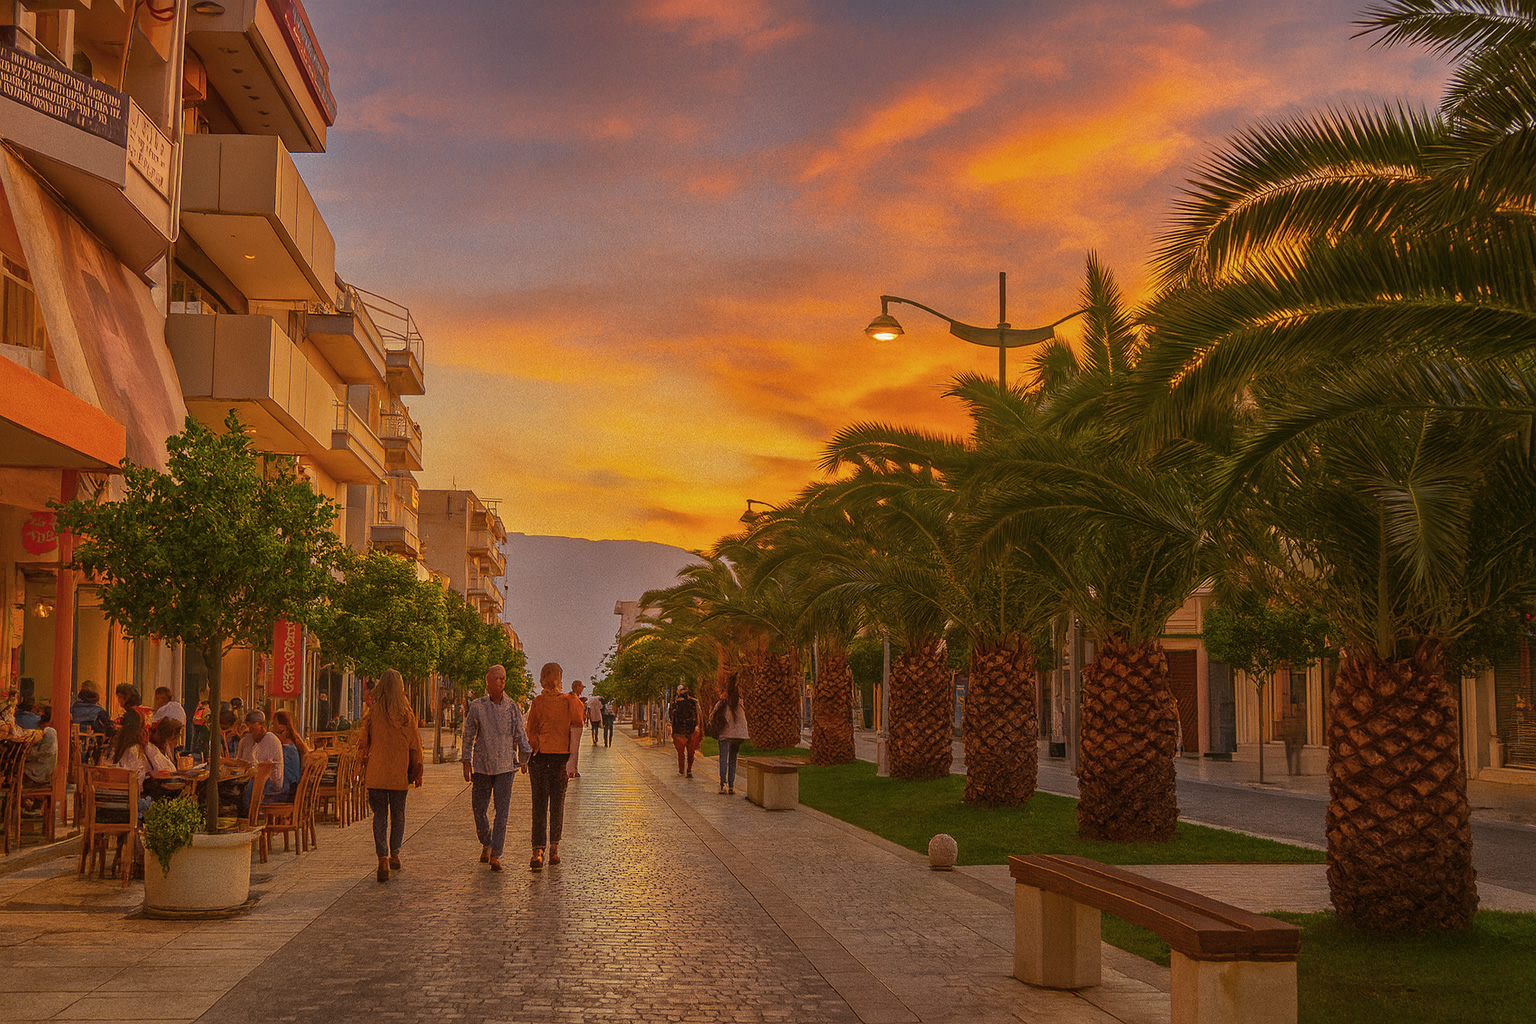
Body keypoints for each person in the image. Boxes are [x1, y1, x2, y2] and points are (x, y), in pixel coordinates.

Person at [356, 669, 424, 883]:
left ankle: (382, 858)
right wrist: (418, 770)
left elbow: (363, 742)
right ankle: (395, 852)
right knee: (398, 814)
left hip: (376, 772)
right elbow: (415, 746)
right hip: (398, 774)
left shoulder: (372, 712)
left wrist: (359, 766)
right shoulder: (406, 713)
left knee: (379, 817)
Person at [461, 664, 530, 872]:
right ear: (488, 682)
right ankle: (487, 841)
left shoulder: (512, 707)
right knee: (479, 809)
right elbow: (468, 735)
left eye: (503, 678)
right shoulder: (477, 706)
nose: (501, 681)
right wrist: (466, 761)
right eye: (497, 678)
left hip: (505, 766)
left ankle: (496, 854)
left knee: (502, 812)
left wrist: (524, 757)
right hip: (482, 766)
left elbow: (520, 733)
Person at [525, 662, 580, 871]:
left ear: (542, 679)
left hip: (542, 759)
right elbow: (576, 729)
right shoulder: (569, 702)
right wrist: (572, 762)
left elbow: (530, 731)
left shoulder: (542, 702)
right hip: (557, 759)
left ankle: (539, 851)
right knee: (557, 804)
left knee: (540, 805)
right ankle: (552, 849)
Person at [234, 710, 285, 816]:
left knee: (249, 787)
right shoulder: (253, 740)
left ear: (262, 726)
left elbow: (259, 766)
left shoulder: (270, 739)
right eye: (249, 727)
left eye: (253, 727)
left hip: (271, 784)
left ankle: (250, 815)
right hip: (258, 779)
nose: (250, 730)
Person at [714, 676, 749, 795]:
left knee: (723, 759)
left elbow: (711, 717)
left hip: (724, 735)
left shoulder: (721, 704)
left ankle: (723, 785)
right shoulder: (740, 703)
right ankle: (731, 786)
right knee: (733, 759)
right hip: (736, 737)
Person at [268, 710, 308, 804]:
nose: (272, 727)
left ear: (282, 726)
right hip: (293, 789)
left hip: (286, 791)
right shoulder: (294, 740)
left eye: (274, 724)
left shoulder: (284, 745)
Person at [670, 683, 702, 778]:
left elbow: (671, 717)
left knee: (681, 753)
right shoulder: (694, 702)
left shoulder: (675, 703)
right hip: (691, 731)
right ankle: (689, 770)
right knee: (691, 752)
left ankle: (681, 770)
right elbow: (698, 717)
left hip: (679, 732)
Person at [565, 680, 588, 779]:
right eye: (581, 687)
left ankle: (574, 769)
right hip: (574, 726)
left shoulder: (575, 698)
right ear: (577, 687)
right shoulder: (572, 699)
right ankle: (570, 770)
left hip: (576, 727)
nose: (582, 689)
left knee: (575, 748)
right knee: (573, 749)